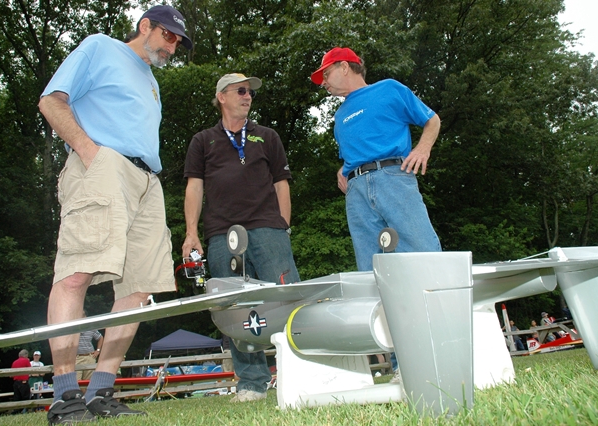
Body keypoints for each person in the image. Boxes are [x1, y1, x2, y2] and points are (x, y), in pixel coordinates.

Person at [38, 5, 192, 423]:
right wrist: (90, 152)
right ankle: (65, 395)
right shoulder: (100, 48)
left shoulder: (152, 81)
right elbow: (51, 101)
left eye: (178, 42)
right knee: (76, 273)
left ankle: (101, 392)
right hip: (103, 165)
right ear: (145, 26)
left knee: (139, 290)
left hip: (147, 181)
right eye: (169, 36)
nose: (172, 47)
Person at [182, 73, 300, 402]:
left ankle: (302, 369)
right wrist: (191, 233)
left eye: (250, 92)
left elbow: (281, 184)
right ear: (222, 96)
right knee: (234, 308)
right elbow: (194, 187)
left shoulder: (268, 136)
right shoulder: (202, 141)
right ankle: (251, 384)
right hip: (222, 234)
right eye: (241, 91)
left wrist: (283, 226)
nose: (248, 96)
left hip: (268, 228)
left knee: (289, 297)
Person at [310, 47, 441, 272]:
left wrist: (422, 149)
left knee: (421, 252)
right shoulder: (340, 116)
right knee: (369, 266)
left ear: (344, 67)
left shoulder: (388, 89)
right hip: (356, 192)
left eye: (326, 74)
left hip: (393, 178)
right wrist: (342, 170)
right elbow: (353, 154)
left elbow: (433, 120)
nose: (323, 83)